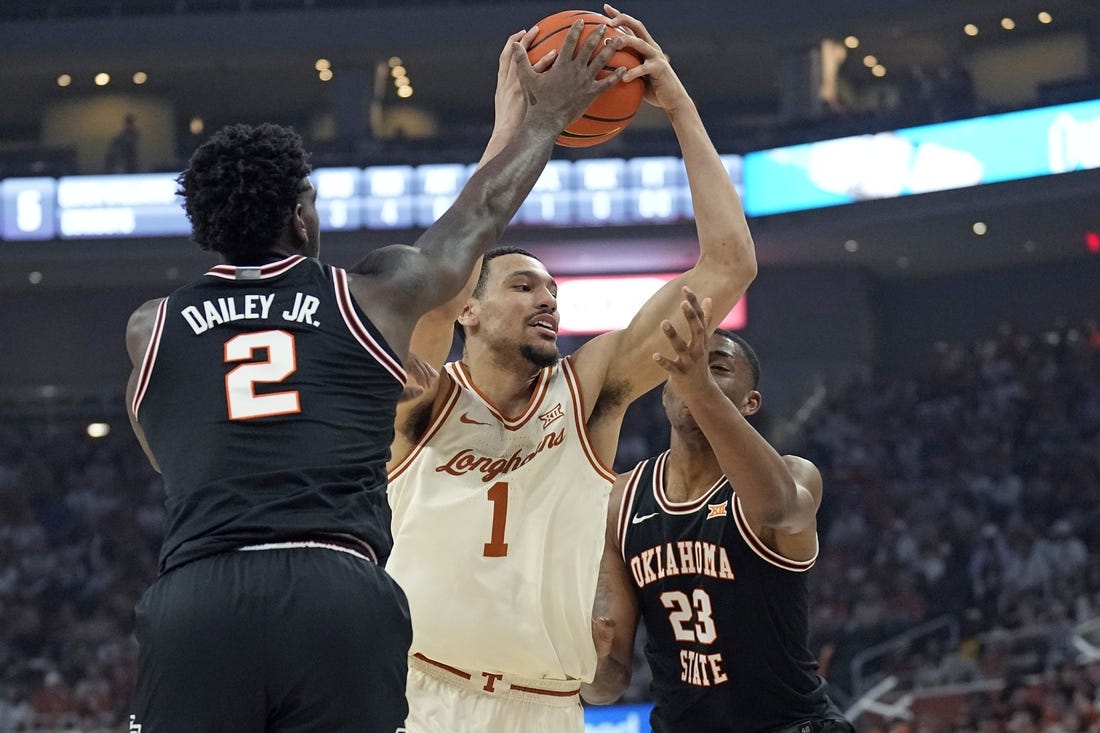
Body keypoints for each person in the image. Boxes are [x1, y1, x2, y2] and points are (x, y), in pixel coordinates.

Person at [122, 22, 625, 733]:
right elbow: (475, 221)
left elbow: (174, 459)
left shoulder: (149, 329)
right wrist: (542, 118)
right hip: (334, 589)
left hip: (200, 594)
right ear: (300, 219)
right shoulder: (368, 296)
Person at [385, 6, 758, 732]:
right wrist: (514, 132)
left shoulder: (588, 391)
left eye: (554, 291)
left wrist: (678, 105)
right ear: (471, 311)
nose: (547, 301)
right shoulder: (419, 393)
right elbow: (442, 269)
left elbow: (729, 265)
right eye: (523, 286)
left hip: (547, 707)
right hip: (422, 696)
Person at [583, 288, 854, 733]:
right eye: (685, 367)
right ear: (664, 392)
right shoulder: (620, 500)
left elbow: (776, 509)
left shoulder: (794, 475)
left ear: (750, 402)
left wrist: (700, 388)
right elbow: (607, 682)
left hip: (788, 724)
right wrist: (582, 657)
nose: (696, 373)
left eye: (718, 367)